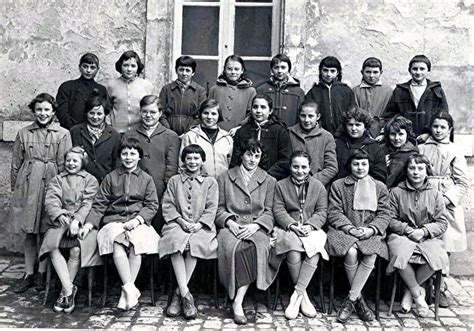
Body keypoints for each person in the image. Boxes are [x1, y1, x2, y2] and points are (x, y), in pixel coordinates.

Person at [85, 137, 160, 310]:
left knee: (137, 245)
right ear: (120, 156)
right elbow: (100, 204)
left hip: (138, 221)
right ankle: (130, 289)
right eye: (124, 153)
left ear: (139, 157)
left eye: (132, 154)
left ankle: (125, 292)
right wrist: (90, 224)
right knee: (117, 241)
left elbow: (152, 204)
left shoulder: (146, 179)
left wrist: (137, 220)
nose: (128, 157)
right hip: (114, 221)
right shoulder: (111, 177)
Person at [10, 93, 72, 294]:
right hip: (28, 185)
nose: (43, 113)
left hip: (51, 183)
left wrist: (62, 191)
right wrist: (16, 188)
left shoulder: (62, 134)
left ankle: (43, 273)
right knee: (29, 230)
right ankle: (29, 272)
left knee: (47, 228)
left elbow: (65, 165)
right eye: (39, 110)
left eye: (47, 110)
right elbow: (16, 163)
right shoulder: (24, 133)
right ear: (34, 111)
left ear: (53, 112)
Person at [216, 139, 281, 325]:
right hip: (232, 226)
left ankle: (238, 301)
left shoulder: (269, 180)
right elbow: (218, 208)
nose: (252, 159)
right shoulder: (225, 177)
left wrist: (258, 225)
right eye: (249, 154)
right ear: (241, 155)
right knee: (234, 248)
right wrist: (229, 222)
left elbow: (270, 210)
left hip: (256, 226)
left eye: (257, 155)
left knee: (253, 248)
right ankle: (237, 297)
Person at [326, 149, 391, 323]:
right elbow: (334, 212)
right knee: (352, 252)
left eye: (364, 164)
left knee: (371, 252)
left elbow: (385, 213)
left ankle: (351, 300)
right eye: (356, 164)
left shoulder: (379, 187)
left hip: (369, 231)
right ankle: (360, 301)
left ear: (369, 165)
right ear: (349, 166)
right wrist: (350, 228)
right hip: (344, 231)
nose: (360, 168)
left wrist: (372, 229)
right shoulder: (338, 185)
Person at [159, 145, 218, 319]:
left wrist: (200, 224)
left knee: (194, 244)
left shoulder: (210, 182)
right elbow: (168, 204)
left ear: (202, 161)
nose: (192, 162)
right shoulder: (174, 181)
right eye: (189, 158)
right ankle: (186, 295)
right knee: (176, 243)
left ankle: (178, 295)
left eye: (196, 158)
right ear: (183, 161)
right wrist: (180, 221)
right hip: (177, 224)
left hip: (202, 226)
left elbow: (212, 207)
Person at [39, 147, 101, 313]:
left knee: (75, 250)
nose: (71, 164)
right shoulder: (58, 179)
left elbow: (89, 203)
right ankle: (68, 290)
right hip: (60, 221)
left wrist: (78, 220)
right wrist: (59, 215)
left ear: (82, 162)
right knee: (52, 246)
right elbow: (51, 201)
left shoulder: (90, 180)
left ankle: (64, 293)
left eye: (75, 161)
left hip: (82, 222)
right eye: (68, 160)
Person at [387, 154, 449, 317]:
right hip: (401, 235)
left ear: (426, 171)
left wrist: (423, 231)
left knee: (438, 257)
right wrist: (408, 230)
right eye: (412, 168)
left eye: (420, 168)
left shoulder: (435, 194)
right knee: (400, 256)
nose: (416, 172)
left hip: (426, 235)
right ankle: (418, 295)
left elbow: (442, 222)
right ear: (406, 171)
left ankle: (408, 292)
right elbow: (389, 219)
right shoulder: (396, 192)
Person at [418, 111, 469, 307]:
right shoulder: (422, 147)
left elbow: (462, 182)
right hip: (425, 196)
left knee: (445, 244)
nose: (438, 131)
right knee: (425, 240)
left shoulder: (455, 150)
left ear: (450, 130)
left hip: (446, 202)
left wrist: (446, 199)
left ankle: (440, 285)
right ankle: (423, 283)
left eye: (442, 127)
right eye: (435, 127)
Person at [273, 151, 329, 319]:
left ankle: (296, 295)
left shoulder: (318, 186)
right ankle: (303, 297)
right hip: (289, 228)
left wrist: (310, 225)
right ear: (290, 167)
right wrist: (292, 225)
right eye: (295, 166)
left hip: (311, 228)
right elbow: (278, 209)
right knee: (292, 248)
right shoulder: (281, 185)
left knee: (316, 249)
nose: (300, 170)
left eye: (304, 167)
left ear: (310, 167)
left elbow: (322, 211)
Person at [128, 95, 180, 231]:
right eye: (145, 112)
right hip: (135, 188)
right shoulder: (130, 135)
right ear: (140, 112)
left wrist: (166, 191)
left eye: (153, 112)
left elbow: (172, 167)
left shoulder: (170, 136)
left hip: (159, 189)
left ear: (160, 113)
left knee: (157, 226)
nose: (148, 115)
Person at [383, 54, 449, 136]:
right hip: (405, 137)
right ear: (409, 70)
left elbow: (443, 116)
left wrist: (429, 134)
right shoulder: (400, 90)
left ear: (428, 70)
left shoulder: (436, 90)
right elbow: (390, 115)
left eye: (422, 69)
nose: (418, 72)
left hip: (429, 136)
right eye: (415, 69)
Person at [230, 94, 291, 180]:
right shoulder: (242, 131)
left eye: (263, 107)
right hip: (245, 180)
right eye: (255, 107)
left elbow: (285, 160)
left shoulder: (279, 131)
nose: (258, 111)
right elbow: (236, 159)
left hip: (271, 180)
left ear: (270, 111)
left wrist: (267, 176)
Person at [70, 90, 121, 183]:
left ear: (105, 114)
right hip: (79, 182)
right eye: (91, 113)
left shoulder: (114, 135)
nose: (95, 117)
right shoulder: (75, 131)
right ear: (86, 113)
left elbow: (116, 164)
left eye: (99, 114)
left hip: (105, 183)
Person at [288, 101, 338, 186]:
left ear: (318, 116)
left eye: (311, 116)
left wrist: (312, 182)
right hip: (291, 185)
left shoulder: (326, 137)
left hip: (316, 186)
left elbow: (331, 167)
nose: (307, 120)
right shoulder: (289, 133)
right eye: (303, 116)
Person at [180, 99, 233, 178]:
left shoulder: (227, 138)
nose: (209, 117)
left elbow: (231, 164)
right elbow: (182, 165)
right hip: (198, 185)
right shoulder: (190, 136)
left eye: (213, 114)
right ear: (200, 114)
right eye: (206, 113)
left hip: (222, 185)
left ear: (219, 116)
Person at [304, 56, 356, 134]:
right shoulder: (313, 92)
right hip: (319, 133)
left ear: (338, 72)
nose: (328, 74)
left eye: (332, 71)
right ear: (320, 71)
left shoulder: (346, 90)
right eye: (325, 70)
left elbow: (352, 112)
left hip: (343, 133)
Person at [56, 53, 108, 130]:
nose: (88, 70)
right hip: (70, 131)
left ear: (97, 69)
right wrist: (75, 129)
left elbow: (102, 114)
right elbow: (62, 113)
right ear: (80, 67)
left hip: (92, 132)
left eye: (92, 67)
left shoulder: (101, 90)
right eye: (85, 66)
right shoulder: (67, 87)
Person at [107, 50, 155, 133]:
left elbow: (151, 108)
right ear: (120, 66)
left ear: (138, 67)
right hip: (117, 132)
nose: (129, 69)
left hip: (140, 132)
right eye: (125, 65)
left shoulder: (146, 85)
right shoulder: (112, 85)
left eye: (133, 66)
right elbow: (108, 108)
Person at [334, 108, 387, 182]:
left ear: (365, 127)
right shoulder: (338, 145)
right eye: (350, 125)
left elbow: (380, 174)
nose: (353, 128)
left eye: (358, 125)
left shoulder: (374, 147)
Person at [159, 55, 207, 135]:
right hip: (168, 133)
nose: (184, 73)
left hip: (192, 134)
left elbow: (201, 115)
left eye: (187, 70)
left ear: (193, 72)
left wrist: (188, 132)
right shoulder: (166, 89)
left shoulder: (200, 91)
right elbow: (161, 113)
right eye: (181, 70)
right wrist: (169, 131)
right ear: (176, 70)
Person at [208, 55, 257, 131]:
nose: (233, 72)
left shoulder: (251, 91)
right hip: (216, 131)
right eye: (229, 69)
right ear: (224, 69)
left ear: (242, 70)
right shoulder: (215, 89)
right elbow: (208, 111)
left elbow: (251, 114)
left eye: (236, 69)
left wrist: (240, 128)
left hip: (240, 132)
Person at [256, 54, 305, 127]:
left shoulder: (298, 91)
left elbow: (302, 114)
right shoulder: (262, 89)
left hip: (290, 131)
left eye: (283, 67)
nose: (279, 71)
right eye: (276, 67)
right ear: (272, 69)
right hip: (267, 131)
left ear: (289, 69)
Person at [352, 57, 392, 138]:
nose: (371, 75)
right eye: (368, 72)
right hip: (361, 132)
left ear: (381, 73)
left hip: (382, 131)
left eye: (375, 72)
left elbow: (391, 114)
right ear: (362, 72)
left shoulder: (388, 91)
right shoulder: (355, 91)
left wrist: (384, 131)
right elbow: (354, 113)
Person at [381, 116, 418, 188]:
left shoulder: (412, 154)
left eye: (401, 134)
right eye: (393, 134)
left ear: (407, 134)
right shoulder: (381, 149)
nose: (396, 138)